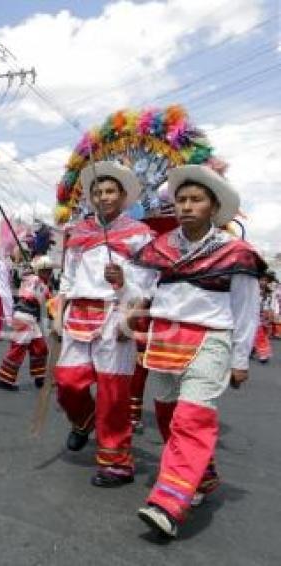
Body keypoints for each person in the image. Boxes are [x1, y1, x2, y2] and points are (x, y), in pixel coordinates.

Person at [131, 165, 263, 538]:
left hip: (211, 340)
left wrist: (240, 360)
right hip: (165, 339)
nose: (186, 206)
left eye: (196, 200)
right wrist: (121, 285)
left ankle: (168, 504)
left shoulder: (236, 253)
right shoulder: (159, 248)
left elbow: (245, 309)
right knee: (167, 416)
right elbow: (136, 289)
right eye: (181, 200)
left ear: (214, 207)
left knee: (191, 419)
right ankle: (201, 479)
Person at [53, 161, 156, 488]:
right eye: (97, 191)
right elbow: (67, 279)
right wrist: (59, 313)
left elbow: (149, 284)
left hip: (116, 314)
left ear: (123, 196)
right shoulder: (78, 233)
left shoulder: (140, 235)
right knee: (67, 382)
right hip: (77, 315)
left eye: (110, 191)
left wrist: (126, 292)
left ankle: (117, 463)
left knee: (113, 393)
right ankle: (83, 420)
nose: (103, 196)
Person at [0, 256, 52, 391]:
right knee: (18, 349)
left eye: (50, 271)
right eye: (46, 270)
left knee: (41, 347)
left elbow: (49, 301)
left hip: (32, 319)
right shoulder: (34, 280)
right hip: (23, 317)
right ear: (40, 270)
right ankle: (4, 379)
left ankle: (40, 377)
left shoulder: (41, 283)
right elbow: (31, 295)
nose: (49, 273)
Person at [252, 272, 274, 362]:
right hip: (251, 315)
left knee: (261, 334)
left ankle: (263, 354)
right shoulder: (252, 291)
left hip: (262, 316)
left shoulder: (268, 293)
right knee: (252, 334)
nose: (263, 282)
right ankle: (252, 349)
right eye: (261, 280)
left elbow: (268, 306)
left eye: (265, 280)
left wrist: (269, 315)